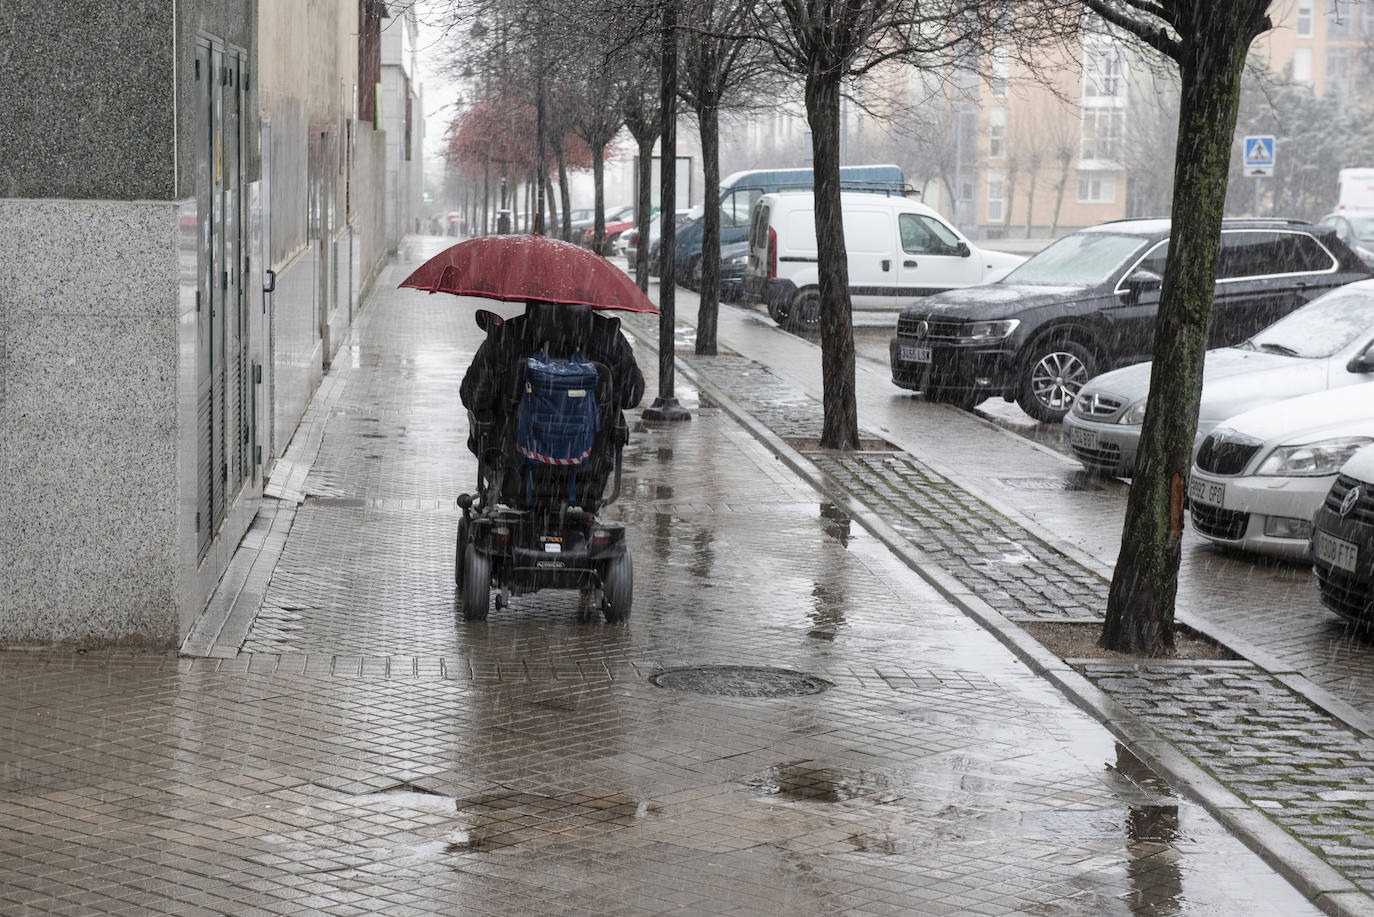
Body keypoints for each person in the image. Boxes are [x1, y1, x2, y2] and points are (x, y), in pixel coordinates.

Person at [460, 300, 645, 458]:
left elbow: (472, 396)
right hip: (591, 460)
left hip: (513, 459)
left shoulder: (507, 335)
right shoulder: (609, 338)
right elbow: (631, 397)